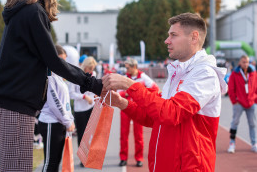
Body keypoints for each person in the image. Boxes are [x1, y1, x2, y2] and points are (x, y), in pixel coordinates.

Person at [0, 0, 102, 172]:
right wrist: (93, 83)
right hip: (15, 98)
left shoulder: (28, 9)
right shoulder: (32, 11)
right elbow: (53, 61)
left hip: (17, 98)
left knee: (19, 166)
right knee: (16, 167)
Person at [102, 13, 228, 172]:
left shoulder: (205, 73)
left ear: (194, 37)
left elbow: (171, 113)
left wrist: (130, 85)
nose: (166, 40)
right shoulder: (178, 72)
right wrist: (121, 102)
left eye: (173, 35)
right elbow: (154, 118)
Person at [38, 45, 75, 171]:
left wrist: (70, 119)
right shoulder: (50, 74)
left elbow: (65, 103)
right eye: (60, 59)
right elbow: (54, 101)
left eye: (65, 60)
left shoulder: (59, 75)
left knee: (55, 163)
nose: (63, 63)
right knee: (50, 163)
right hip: (50, 122)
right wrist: (67, 121)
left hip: (59, 123)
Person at [118, 58, 159, 167]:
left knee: (138, 135)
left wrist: (142, 96)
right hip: (126, 108)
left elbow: (156, 89)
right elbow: (118, 93)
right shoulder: (125, 78)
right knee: (123, 134)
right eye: (125, 67)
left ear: (134, 67)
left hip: (139, 109)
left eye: (128, 68)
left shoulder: (143, 77)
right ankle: (123, 158)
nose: (126, 70)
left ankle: (139, 158)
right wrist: (125, 93)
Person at [67, 56, 97, 167]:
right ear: (85, 66)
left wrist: (96, 96)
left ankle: (90, 155)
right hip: (80, 109)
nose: (91, 71)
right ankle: (83, 158)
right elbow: (71, 93)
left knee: (91, 133)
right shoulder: (75, 75)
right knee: (82, 134)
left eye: (92, 68)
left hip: (91, 107)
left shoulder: (93, 74)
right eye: (89, 68)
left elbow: (95, 89)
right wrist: (84, 97)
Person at [227, 55, 257, 153]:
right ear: (240, 63)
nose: (246, 64)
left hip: (251, 103)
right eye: (244, 62)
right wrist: (234, 101)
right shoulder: (234, 74)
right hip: (239, 103)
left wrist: (255, 99)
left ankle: (254, 143)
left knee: (252, 124)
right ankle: (232, 143)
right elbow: (231, 89)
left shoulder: (253, 73)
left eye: (247, 62)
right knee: (234, 123)